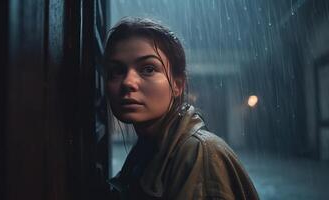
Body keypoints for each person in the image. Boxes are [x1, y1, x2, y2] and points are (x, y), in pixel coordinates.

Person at [103, 17, 259, 200]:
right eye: (117, 71)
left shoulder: (199, 155)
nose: (128, 82)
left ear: (178, 85)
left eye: (148, 69)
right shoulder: (146, 149)